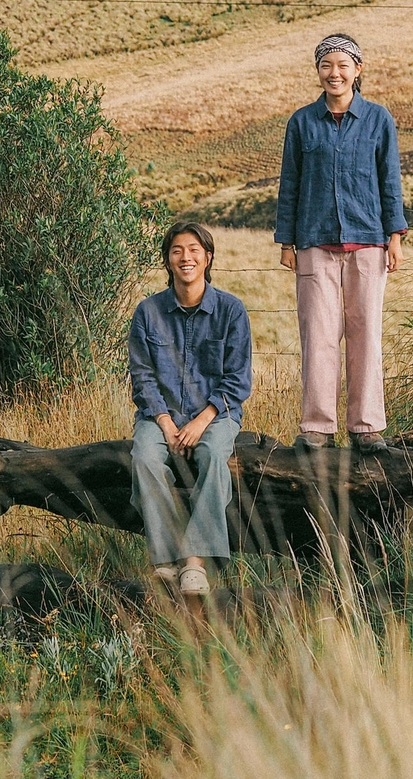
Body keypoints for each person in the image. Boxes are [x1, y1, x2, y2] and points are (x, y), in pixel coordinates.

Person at [275, 33, 407, 452]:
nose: (335, 73)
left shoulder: (378, 119)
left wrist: (395, 235)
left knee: (365, 334)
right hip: (314, 242)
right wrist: (287, 240)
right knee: (318, 335)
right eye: (326, 65)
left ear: (358, 70)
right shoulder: (301, 122)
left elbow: (390, 180)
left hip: (368, 243)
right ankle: (317, 426)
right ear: (318, 71)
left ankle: (366, 426)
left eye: (343, 65)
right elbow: (290, 184)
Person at [128, 220, 252, 595]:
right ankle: (165, 559)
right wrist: (165, 423)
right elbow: (143, 378)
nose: (186, 257)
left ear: (207, 258)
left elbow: (238, 380)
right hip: (159, 414)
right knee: (145, 458)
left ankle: (194, 562)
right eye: (177, 250)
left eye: (194, 250)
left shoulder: (231, 311)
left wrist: (203, 420)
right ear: (168, 261)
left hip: (216, 413)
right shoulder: (148, 313)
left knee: (214, 455)